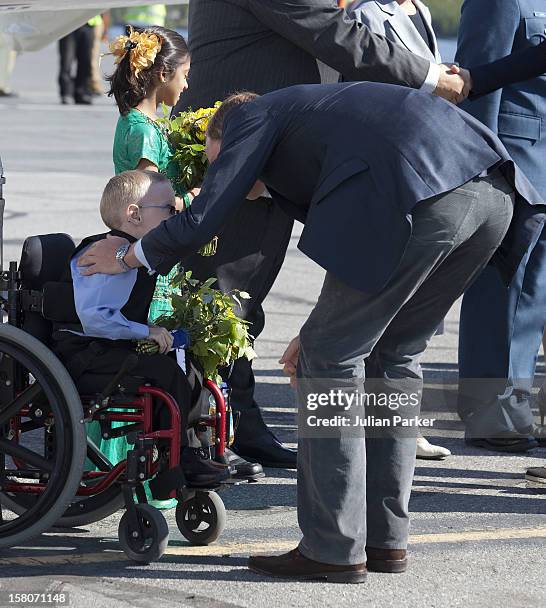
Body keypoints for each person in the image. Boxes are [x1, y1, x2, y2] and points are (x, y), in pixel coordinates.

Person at [77, 82, 544, 582]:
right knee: (395, 354)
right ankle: (385, 539)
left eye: (220, 160)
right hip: (491, 197)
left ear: (226, 134)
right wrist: (322, 327)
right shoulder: (311, 123)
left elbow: (207, 213)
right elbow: (356, 242)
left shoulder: (249, 120)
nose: (224, 172)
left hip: (420, 196)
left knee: (330, 360)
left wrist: (127, 255)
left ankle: (332, 546)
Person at [170, 0, 471, 470]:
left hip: (266, 141)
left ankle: (235, 423)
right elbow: (330, 30)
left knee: (241, 296)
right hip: (236, 140)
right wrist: (430, 78)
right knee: (222, 292)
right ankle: (198, 436)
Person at [107, 25, 262, 479]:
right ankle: (182, 450)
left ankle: (197, 443)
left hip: (167, 252)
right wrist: (200, 195)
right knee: (169, 346)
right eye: (185, 74)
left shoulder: (154, 125)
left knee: (184, 346)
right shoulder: (140, 129)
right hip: (151, 250)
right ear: (162, 73)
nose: (188, 85)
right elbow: (147, 197)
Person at [52, 170, 232, 488]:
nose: (173, 215)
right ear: (133, 215)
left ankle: (190, 451)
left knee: (188, 367)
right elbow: (95, 319)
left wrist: (151, 330)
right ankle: (175, 460)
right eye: (167, 210)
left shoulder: (129, 252)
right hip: (84, 353)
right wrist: (145, 331)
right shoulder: (103, 256)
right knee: (168, 372)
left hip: (108, 347)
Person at [349, 0, 451, 461]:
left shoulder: (422, 11)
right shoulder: (366, 13)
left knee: (411, 316)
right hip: (394, 164)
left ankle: (398, 427)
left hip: (427, 158)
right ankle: (380, 427)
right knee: (382, 307)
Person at [455, 0, 546, 453]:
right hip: (514, 161)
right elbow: (478, 81)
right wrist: (485, 169)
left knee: (533, 298)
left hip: (545, 163)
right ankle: (491, 416)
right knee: (501, 291)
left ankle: (518, 410)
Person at [58, 22, 94, 105]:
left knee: (86, 61)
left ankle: (81, 93)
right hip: (68, 25)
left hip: (88, 25)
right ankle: (66, 93)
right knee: (66, 62)